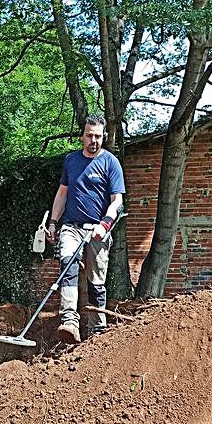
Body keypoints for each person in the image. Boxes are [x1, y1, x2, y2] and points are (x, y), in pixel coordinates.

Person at [45, 114, 125, 344]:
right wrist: (53, 222)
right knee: (67, 263)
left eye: (98, 136)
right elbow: (62, 194)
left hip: (98, 229)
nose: (94, 140)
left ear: (104, 137)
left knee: (96, 281)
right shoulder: (71, 161)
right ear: (82, 136)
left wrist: (105, 224)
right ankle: (70, 321)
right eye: (89, 135)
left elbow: (117, 200)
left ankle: (97, 332)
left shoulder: (110, 162)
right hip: (72, 227)